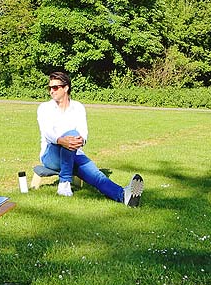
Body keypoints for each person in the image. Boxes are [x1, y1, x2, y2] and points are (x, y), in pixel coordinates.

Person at [37, 71, 143, 206]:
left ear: (66, 88)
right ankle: (64, 182)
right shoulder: (44, 108)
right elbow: (47, 133)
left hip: (74, 152)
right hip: (51, 155)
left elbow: (83, 132)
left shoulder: (78, 107)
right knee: (71, 134)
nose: (51, 91)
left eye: (55, 87)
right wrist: (62, 141)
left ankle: (124, 196)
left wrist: (80, 140)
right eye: (50, 88)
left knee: (96, 175)